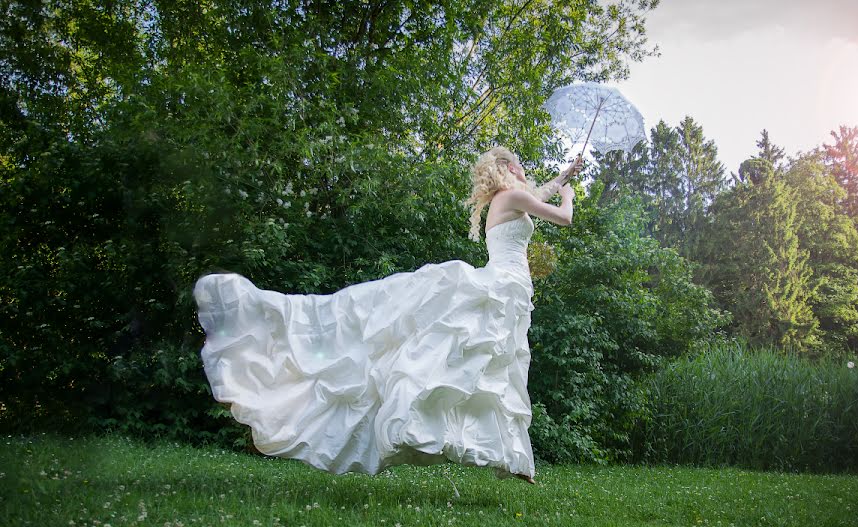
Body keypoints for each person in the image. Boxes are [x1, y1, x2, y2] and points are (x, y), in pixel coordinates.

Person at [193, 146, 583, 485]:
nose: (523, 170)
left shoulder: (511, 198)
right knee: (480, 367)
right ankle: (447, 434)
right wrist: (568, 195)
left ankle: (509, 456)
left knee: (493, 370)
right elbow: (562, 217)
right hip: (502, 288)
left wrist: (563, 175)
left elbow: (538, 193)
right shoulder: (513, 197)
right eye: (519, 165)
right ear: (509, 170)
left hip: (510, 290)